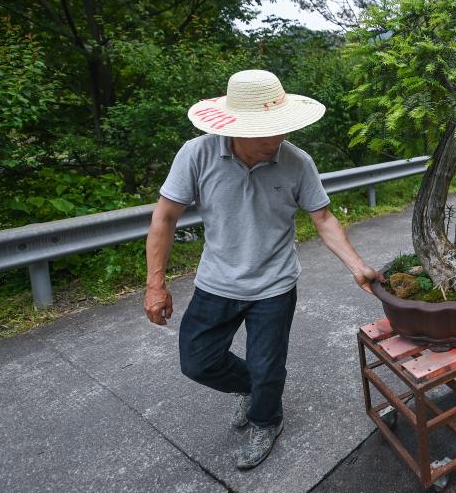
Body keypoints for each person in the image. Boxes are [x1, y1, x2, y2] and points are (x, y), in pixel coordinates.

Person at [143, 69, 381, 470]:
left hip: (274, 285)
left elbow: (322, 219)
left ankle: (266, 419)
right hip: (216, 280)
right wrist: (155, 285)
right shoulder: (196, 154)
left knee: (268, 366)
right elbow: (164, 218)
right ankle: (252, 389)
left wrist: (357, 266)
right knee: (197, 361)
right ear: (236, 127)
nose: (276, 140)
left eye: (280, 129)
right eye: (265, 132)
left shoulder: (296, 162)